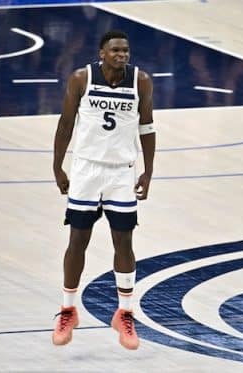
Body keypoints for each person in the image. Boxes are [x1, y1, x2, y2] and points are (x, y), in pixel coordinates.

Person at [51, 30, 155, 350]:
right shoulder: (82, 78)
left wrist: (147, 171)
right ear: (102, 53)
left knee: (123, 241)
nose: (122, 55)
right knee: (77, 239)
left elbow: (147, 127)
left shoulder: (141, 81)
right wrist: (58, 166)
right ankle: (68, 310)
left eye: (126, 50)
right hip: (86, 169)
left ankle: (124, 314)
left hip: (121, 173)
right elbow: (66, 124)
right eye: (115, 50)